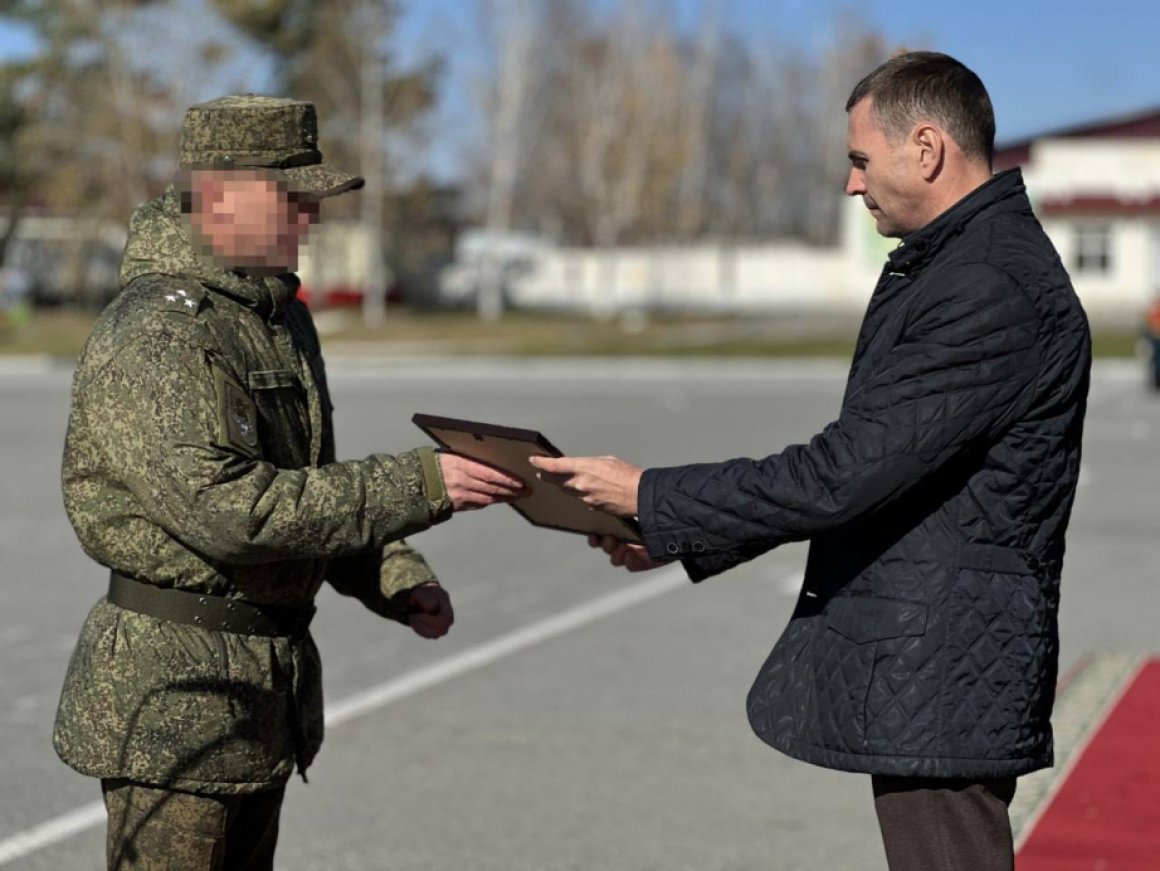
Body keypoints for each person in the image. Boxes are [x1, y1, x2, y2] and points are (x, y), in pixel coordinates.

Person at [531, 52, 1090, 871]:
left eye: (862, 159)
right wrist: (680, 532)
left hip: (945, 668)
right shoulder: (961, 264)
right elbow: (882, 473)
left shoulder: (987, 285)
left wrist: (650, 494)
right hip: (934, 661)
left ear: (926, 149)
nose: (852, 185)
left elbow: (844, 472)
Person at [55, 95, 525, 870]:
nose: (308, 222)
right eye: (293, 201)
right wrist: (422, 482)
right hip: (174, 704)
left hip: (256, 697)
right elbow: (230, 511)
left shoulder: (272, 315)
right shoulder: (160, 331)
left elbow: (305, 488)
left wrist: (391, 575)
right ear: (224, 194)